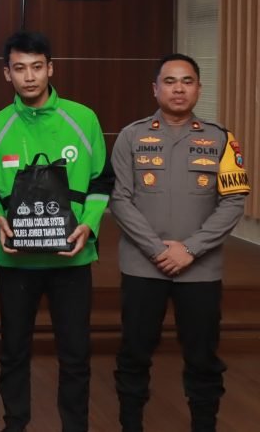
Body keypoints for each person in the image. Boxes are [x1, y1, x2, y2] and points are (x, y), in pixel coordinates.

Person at [0, 31, 110, 432]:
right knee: (13, 352)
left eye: (37, 67)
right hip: (17, 262)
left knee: (75, 354)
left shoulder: (83, 119)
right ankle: (15, 424)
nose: (29, 76)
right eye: (20, 68)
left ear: (51, 68)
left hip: (72, 260)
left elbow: (101, 181)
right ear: (7, 74)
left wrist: (89, 224)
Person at [110, 54, 250, 432]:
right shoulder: (131, 137)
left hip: (200, 270)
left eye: (187, 81)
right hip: (143, 267)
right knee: (134, 354)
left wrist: (189, 249)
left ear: (198, 89)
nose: (178, 89)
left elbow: (233, 202)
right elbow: (120, 200)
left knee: (203, 359)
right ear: (155, 89)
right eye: (170, 81)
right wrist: (158, 250)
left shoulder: (221, 139)